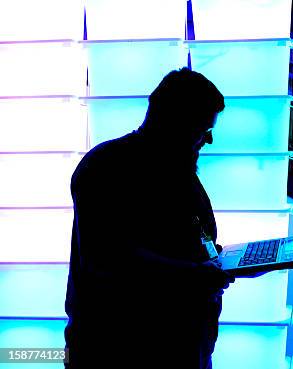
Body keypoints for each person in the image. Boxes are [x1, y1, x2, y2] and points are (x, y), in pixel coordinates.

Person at [65, 68, 235, 369]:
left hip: (181, 345)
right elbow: (108, 260)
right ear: (176, 122)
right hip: (121, 350)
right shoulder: (105, 169)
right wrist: (197, 274)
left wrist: (215, 260)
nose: (207, 140)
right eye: (202, 129)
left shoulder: (176, 169)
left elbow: (192, 235)